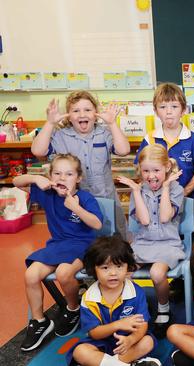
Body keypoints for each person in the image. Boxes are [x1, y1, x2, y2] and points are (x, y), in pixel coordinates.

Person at [15, 154, 103, 352]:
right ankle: (40, 321)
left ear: (78, 178)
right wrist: (35, 178)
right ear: (51, 176)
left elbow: (97, 224)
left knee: (64, 273)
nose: (62, 178)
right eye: (57, 173)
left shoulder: (85, 198)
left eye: (69, 174)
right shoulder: (47, 193)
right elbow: (16, 181)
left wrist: (77, 208)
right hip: (57, 245)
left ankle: (73, 308)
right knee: (30, 274)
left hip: (83, 245)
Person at [31, 91, 130, 239]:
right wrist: (50, 123)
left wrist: (112, 123)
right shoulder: (60, 135)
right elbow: (37, 150)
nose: (82, 114)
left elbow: (124, 150)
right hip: (76, 202)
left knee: (115, 239)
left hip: (105, 198)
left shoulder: (104, 133)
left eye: (88, 110)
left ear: (95, 113)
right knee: (83, 240)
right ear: (69, 116)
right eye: (76, 111)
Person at [117, 144, 185, 337]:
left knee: (156, 273)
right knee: (124, 271)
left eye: (156, 170)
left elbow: (165, 217)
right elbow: (144, 221)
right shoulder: (139, 190)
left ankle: (163, 309)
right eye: (146, 171)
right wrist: (137, 192)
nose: (151, 175)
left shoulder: (176, 189)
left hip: (168, 245)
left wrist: (164, 188)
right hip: (143, 243)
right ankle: (129, 308)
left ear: (166, 168)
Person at [67, 236, 160, 366]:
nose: (113, 273)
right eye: (105, 268)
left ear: (128, 268)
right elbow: (94, 333)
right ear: (94, 269)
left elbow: (142, 325)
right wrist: (118, 324)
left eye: (119, 266)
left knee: (148, 341)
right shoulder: (89, 298)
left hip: (128, 342)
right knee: (80, 351)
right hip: (100, 343)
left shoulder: (136, 291)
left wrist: (131, 340)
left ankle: (106, 363)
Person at [135, 82, 194, 217]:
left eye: (174, 106)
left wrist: (185, 191)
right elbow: (140, 167)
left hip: (186, 199)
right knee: (159, 232)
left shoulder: (193, 140)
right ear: (156, 111)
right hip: (156, 200)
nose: (169, 111)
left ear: (183, 110)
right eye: (163, 107)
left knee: (186, 232)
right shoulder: (150, 139)